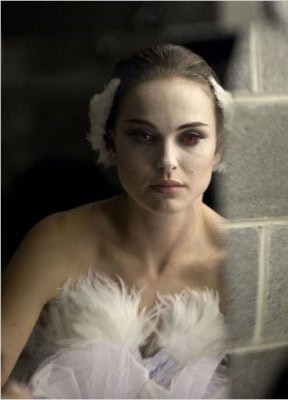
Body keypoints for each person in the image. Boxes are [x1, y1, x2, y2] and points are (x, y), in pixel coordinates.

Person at [1, 43, 233, 398]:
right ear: (110, 143)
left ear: (218, 148)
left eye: (190, 137)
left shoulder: (240, 262)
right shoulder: (56, 243)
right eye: (143, 136)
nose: (167, 161)